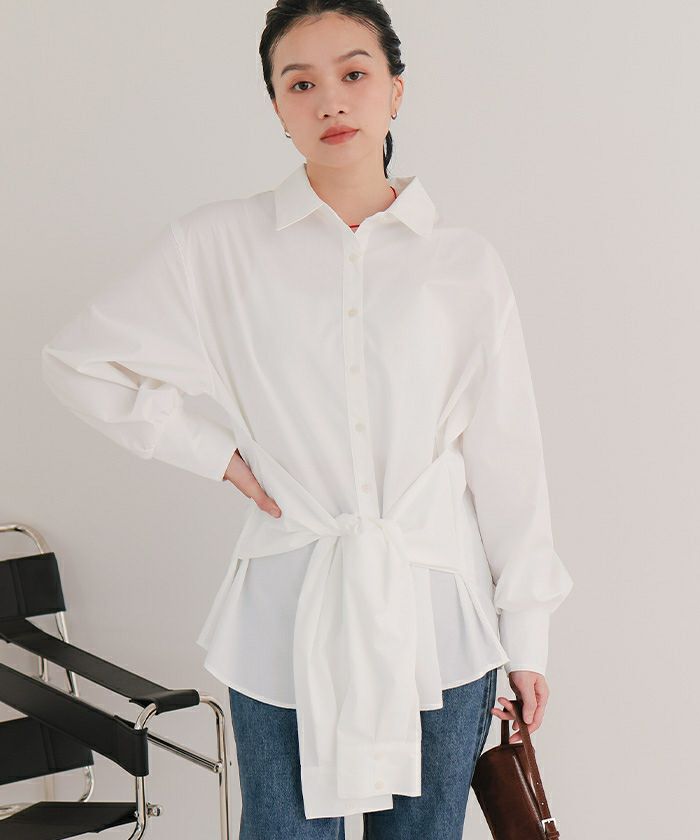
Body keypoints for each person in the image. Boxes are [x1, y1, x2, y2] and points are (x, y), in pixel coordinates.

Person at [41, 2, 574, 838]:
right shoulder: (217, 246)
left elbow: (508, 458)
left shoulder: (463, 263)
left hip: (438, 618)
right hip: (286, 615)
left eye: (354, 73)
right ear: (277, 107)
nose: (331, 100)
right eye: (301, 83)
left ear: (396, 91)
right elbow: (79, 360)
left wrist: (528, 635)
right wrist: (216, 453)